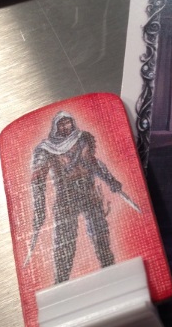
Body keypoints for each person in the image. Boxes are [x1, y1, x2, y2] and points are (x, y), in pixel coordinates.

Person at [31, 111, 123, 283]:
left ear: (73, 123)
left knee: (101, 236)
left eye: (68, 122)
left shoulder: (83, 139)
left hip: (89, 192)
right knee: (65, 244)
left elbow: (93, 163)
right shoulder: (46, 149)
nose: (66, 126)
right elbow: (38, 181)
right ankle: (61, 284)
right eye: (61, 123)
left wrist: (110, 180)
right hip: (66, 198)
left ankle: (112, 275)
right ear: (55, 127)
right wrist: (39, 211)